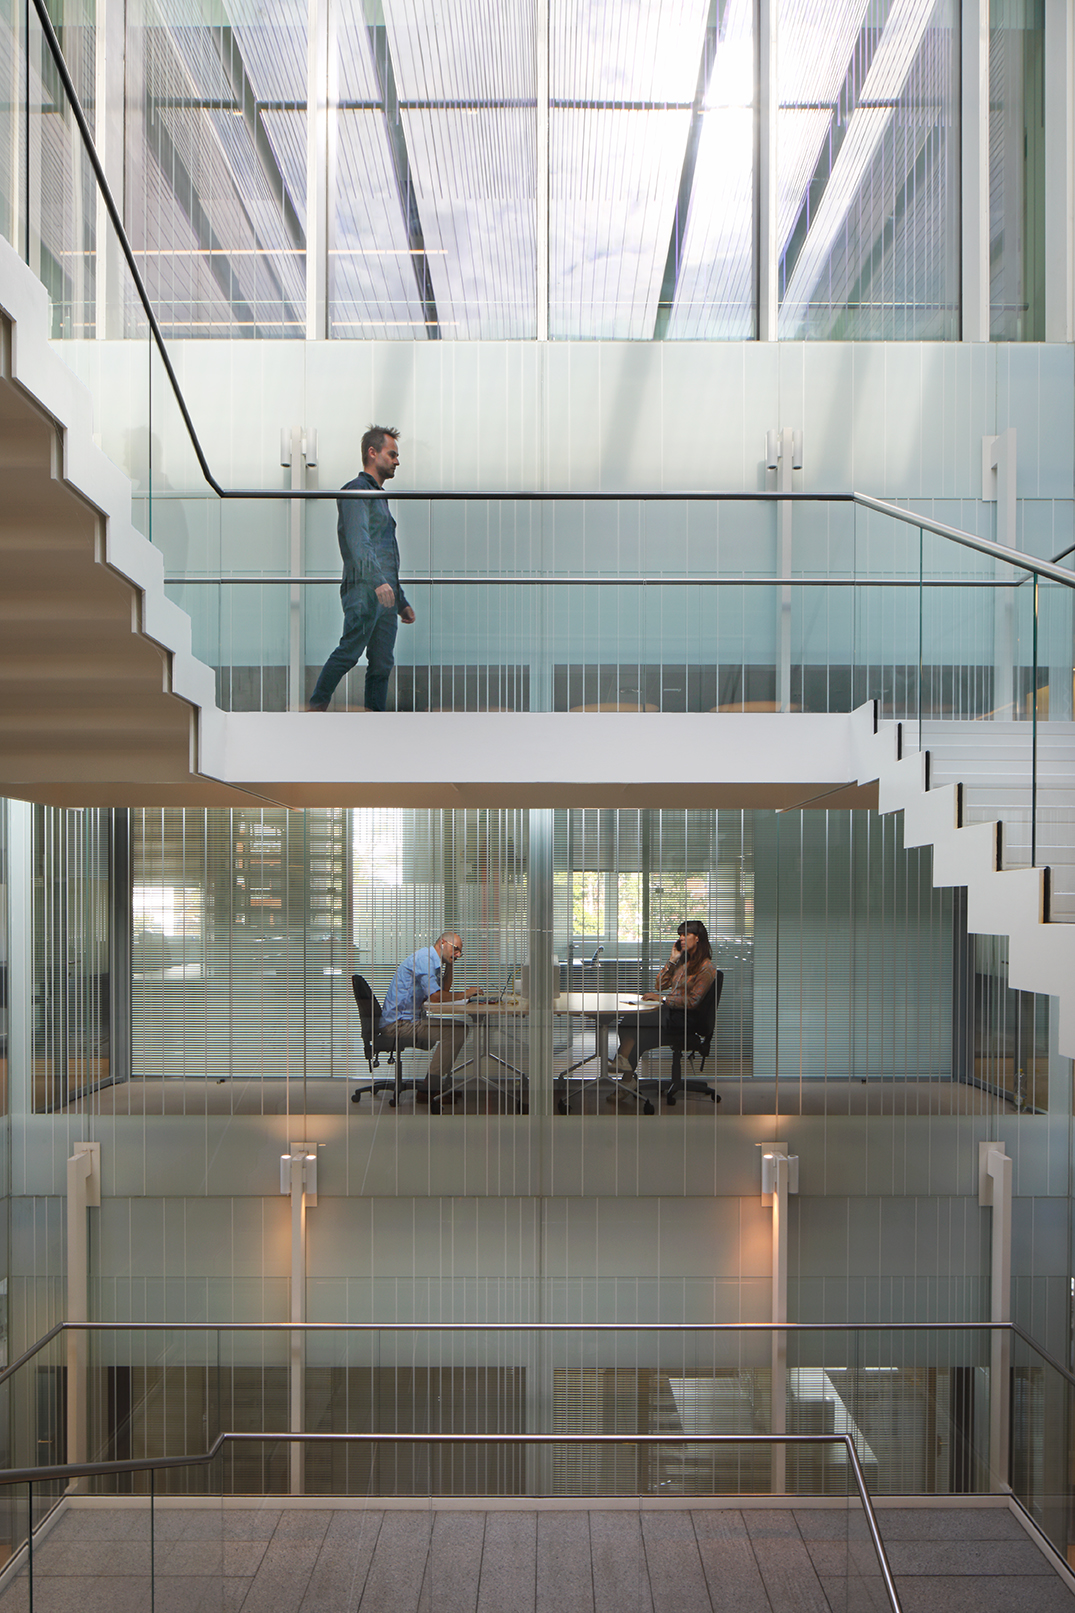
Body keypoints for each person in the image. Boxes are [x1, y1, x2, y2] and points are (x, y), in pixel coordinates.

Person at [308, 425, 415, 712]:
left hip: (386, 596)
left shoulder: (378, 496)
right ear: (372, 453)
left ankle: (374, 721)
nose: (396, 461)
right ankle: (315, 708)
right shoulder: (356, 491)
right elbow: (359, 542)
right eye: (391, 454)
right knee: (350, 650)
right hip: (365, 589)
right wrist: (378, 582)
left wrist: (400, 600)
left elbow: (387, 553)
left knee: (382, 663)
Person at [610, 920, 718, 1105]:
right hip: (671, 1011)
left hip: (686, 1018)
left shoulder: (706, 968)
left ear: (698, 938)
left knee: (637, 1022)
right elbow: (659, 985)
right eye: (680, 935)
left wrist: (662, 999)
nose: (681, 939)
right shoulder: (683, 963)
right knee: (633, 1024)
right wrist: (672, 960)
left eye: (686, 935)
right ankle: (626, 1074)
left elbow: (693, 1001)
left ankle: (623, 1065)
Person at [379, 932, 478, 1098]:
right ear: (443, 943)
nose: (459, 954)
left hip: (408, 1020)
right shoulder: (424, 960)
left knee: (458, 1028)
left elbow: (443, 991)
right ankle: (429, 1089)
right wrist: (465, 994)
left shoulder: (433, 961)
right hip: (398, 1024)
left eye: (460, 952)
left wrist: (450, 964)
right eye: (456, 949)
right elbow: (436, 997)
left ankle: (433, 1084)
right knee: (456, 1031)